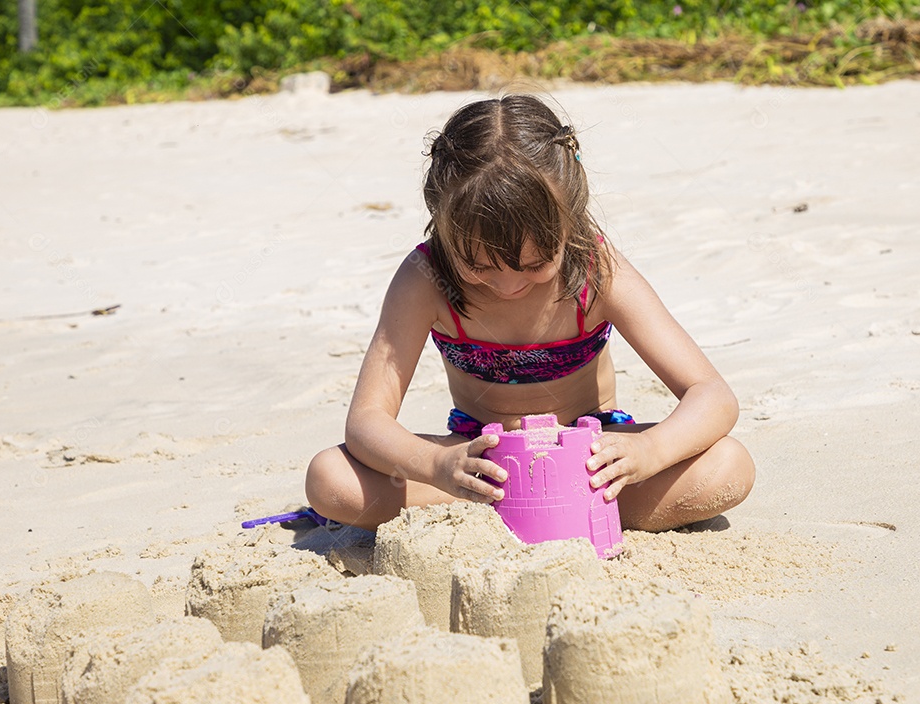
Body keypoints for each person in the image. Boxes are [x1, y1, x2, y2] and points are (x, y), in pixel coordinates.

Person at [306, 94, 754, 532]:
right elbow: (367, 420)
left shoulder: (596, 270)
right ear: (442, 226)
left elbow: (711, 394)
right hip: (483, 469)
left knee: (728, 466)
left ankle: (525, 514)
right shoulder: (425, 278)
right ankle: (538, 511)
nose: (509, 285)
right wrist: (439, 464)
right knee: (330, 478)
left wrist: (650, 451)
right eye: (478, 267)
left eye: (536, 265)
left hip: (588, 464)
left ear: (570, 221)